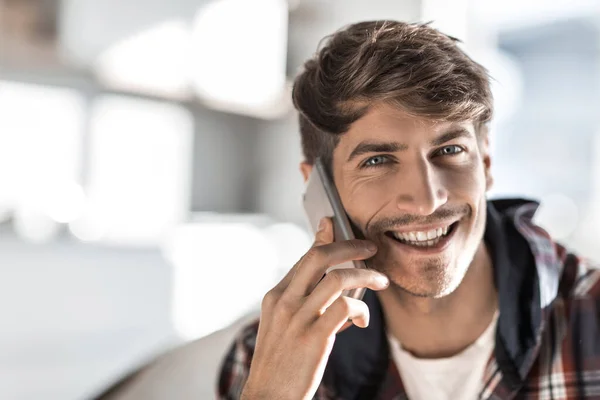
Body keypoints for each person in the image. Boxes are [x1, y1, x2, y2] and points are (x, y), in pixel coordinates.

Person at [217, 20, 600, 400]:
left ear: (485, 162)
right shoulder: (263, 360)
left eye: (450, 150)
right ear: (320, 188)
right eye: (378, 161)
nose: (427, 200)